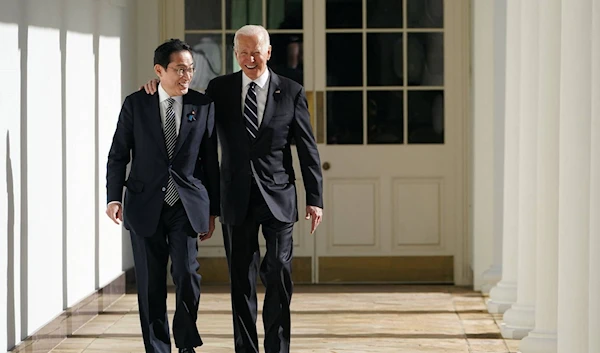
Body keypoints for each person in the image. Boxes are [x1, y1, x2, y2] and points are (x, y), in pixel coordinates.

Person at [144, 25, 324, 353]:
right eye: (242, 52)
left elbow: (307, 149)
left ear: (268, 52)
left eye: (255, 52)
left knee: (279, 273)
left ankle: (277, 348)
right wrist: (161, 88)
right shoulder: (220, 88)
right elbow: (189, 106)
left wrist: (315, 199)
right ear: (235, 53)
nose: (249, 58)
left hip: (279, 197)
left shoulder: (292, 91)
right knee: (241, 281)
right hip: (235, 198)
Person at [106, 38, 220, 353]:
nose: (187, 76)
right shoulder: (136, 103)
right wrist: (113, 197)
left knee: (187, 274)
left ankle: (185, 342)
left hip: (186, 204)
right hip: (144, 204)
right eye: (179, 69)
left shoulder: (203, 104)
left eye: (191, 69)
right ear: (160, 70)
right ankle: (157, 348)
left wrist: (213, 211)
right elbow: (118, 154)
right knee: (150, 284)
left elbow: (210, 161)